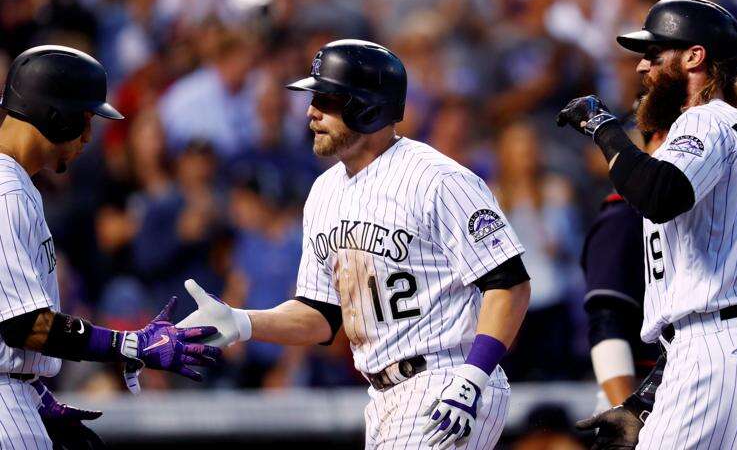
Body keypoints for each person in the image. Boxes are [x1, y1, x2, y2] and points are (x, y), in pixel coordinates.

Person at [178, 39, 532, 449]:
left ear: (368, 107)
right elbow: (321, 314)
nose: (310, 112)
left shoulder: (437, 180)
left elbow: (509, 282)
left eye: (326, 100)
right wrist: (243, 322)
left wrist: (473, 377)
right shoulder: (324, 191)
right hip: (382, 396)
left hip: (447, 378)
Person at [557, 0, 737, 449]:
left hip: (724, 349)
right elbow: (691, 298)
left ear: (694, 56)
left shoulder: (706, 119)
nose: (641, 68)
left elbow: (658, 194)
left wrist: (603, 127)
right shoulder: (735, 134)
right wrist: (641, 403)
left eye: (654, 53)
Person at [0, 45, 221, 448]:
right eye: (85, 118)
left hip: (16, 394)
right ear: (55, 114)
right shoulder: (7, 191)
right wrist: (128, 344)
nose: (89, 136)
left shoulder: (18, 184)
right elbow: (25, 325)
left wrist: (37, 393)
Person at [581, 129, 665, 409]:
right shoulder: (622, 217)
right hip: (641, 397)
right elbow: (607, 320)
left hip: (682, 390)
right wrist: (625, 411)